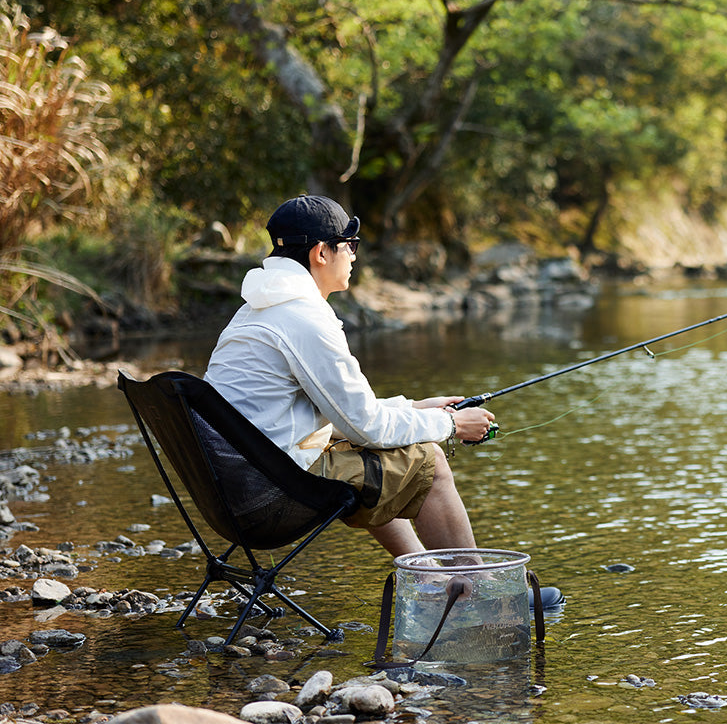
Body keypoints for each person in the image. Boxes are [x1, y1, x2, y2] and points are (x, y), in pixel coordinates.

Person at [204, 194, 564, 607]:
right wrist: (450, 425)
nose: (354, 256)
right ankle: (481, 596)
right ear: (322, 253)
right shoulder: (303, 318)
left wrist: (413, 409)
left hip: (233, 493)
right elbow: (366, 426)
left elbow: (332, 415)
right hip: (270, 500)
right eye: (350, 245)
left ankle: (431, 582)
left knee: (377, 450)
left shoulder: (255, 311)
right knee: (428, 460)